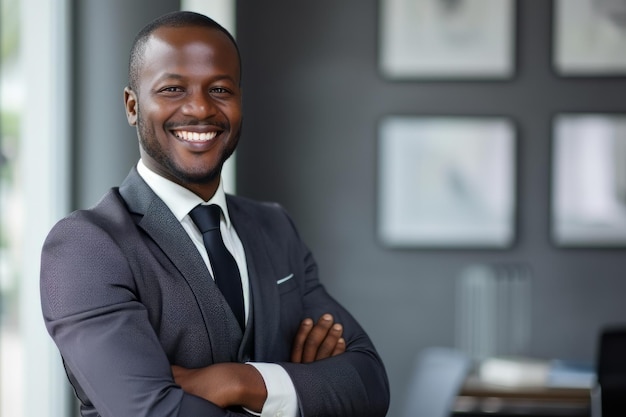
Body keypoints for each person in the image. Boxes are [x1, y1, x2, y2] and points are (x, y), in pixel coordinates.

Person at [40, 10, 390, 417]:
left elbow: (370, 384)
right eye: (173, 89)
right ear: (132, 106)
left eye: (220, 90)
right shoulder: (87, 247)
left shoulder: (274, 228)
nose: (200, 109)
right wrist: (296, 390)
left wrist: (237, 382)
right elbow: (152, 413)